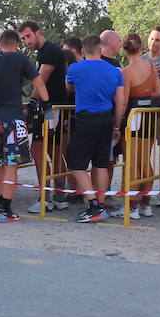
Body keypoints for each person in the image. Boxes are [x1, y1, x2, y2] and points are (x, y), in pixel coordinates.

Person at [0, 29, 48, 223]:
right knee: (12, 165)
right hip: (13, 119)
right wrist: (47, 103)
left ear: (0, 44)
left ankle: (2, 204)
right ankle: (6, 209)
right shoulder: (21, 59)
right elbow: (39, 83)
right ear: (16, 44)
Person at [64, 33, 127, 222]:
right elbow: (121, 102)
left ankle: (93, 205)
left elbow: (68, 88)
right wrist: (117, 124)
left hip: (86, 119)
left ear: (82, 51)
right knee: (101, 163)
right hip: (106, 119)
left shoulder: (75, 68)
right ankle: (99, 204)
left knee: (76, 162)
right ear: (101, 49)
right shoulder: (115, 70)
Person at [17, 20, 69, 212]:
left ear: (38, 32)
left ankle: (46, 198)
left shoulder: (50, 51)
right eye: (23, 38)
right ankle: (58, 196)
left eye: (28, 36)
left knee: (40, 152)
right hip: (52, 108)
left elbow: (40, 82)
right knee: (52, 152)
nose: (26, 41)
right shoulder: (44, 52)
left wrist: (30, 106)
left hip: (50, 109)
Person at [121, 33, 160, 219]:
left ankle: (131, 206)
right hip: (149, 115)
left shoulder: (126, 72)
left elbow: (123, 101)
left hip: (133, 116)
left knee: (132, 162)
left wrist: (116, 123)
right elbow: (158, 91)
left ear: (125, 51)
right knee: (145, 160)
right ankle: (145, 204)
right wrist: (145, 95)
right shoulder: (151, 67)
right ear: (141, 48)